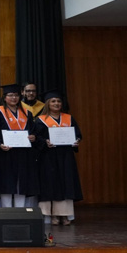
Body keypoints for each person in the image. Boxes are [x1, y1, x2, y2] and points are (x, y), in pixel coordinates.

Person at [0, 83, 39, 208]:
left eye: (16, 95)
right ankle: (7, 211)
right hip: (4, 154)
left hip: (22, 154)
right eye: (10, 95)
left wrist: (33, 137)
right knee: (6, 183)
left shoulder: (27, 113)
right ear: (4, 97)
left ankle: (20, 211)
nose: (14, 98)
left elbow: (32, 131)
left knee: (21, 183)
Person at [35, 90, 83, 225]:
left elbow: (77, 134)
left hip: (65, 156)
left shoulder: (68, 118)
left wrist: (77, 140)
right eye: (53, 101)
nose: (56, 104)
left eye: (59, 101)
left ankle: (64, 214)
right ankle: (51, 215)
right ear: (47, 104)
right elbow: (37, 138)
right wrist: (45, 142)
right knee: (50, 183)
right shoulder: (40, 120)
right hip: (48, 157)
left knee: (65, 183)